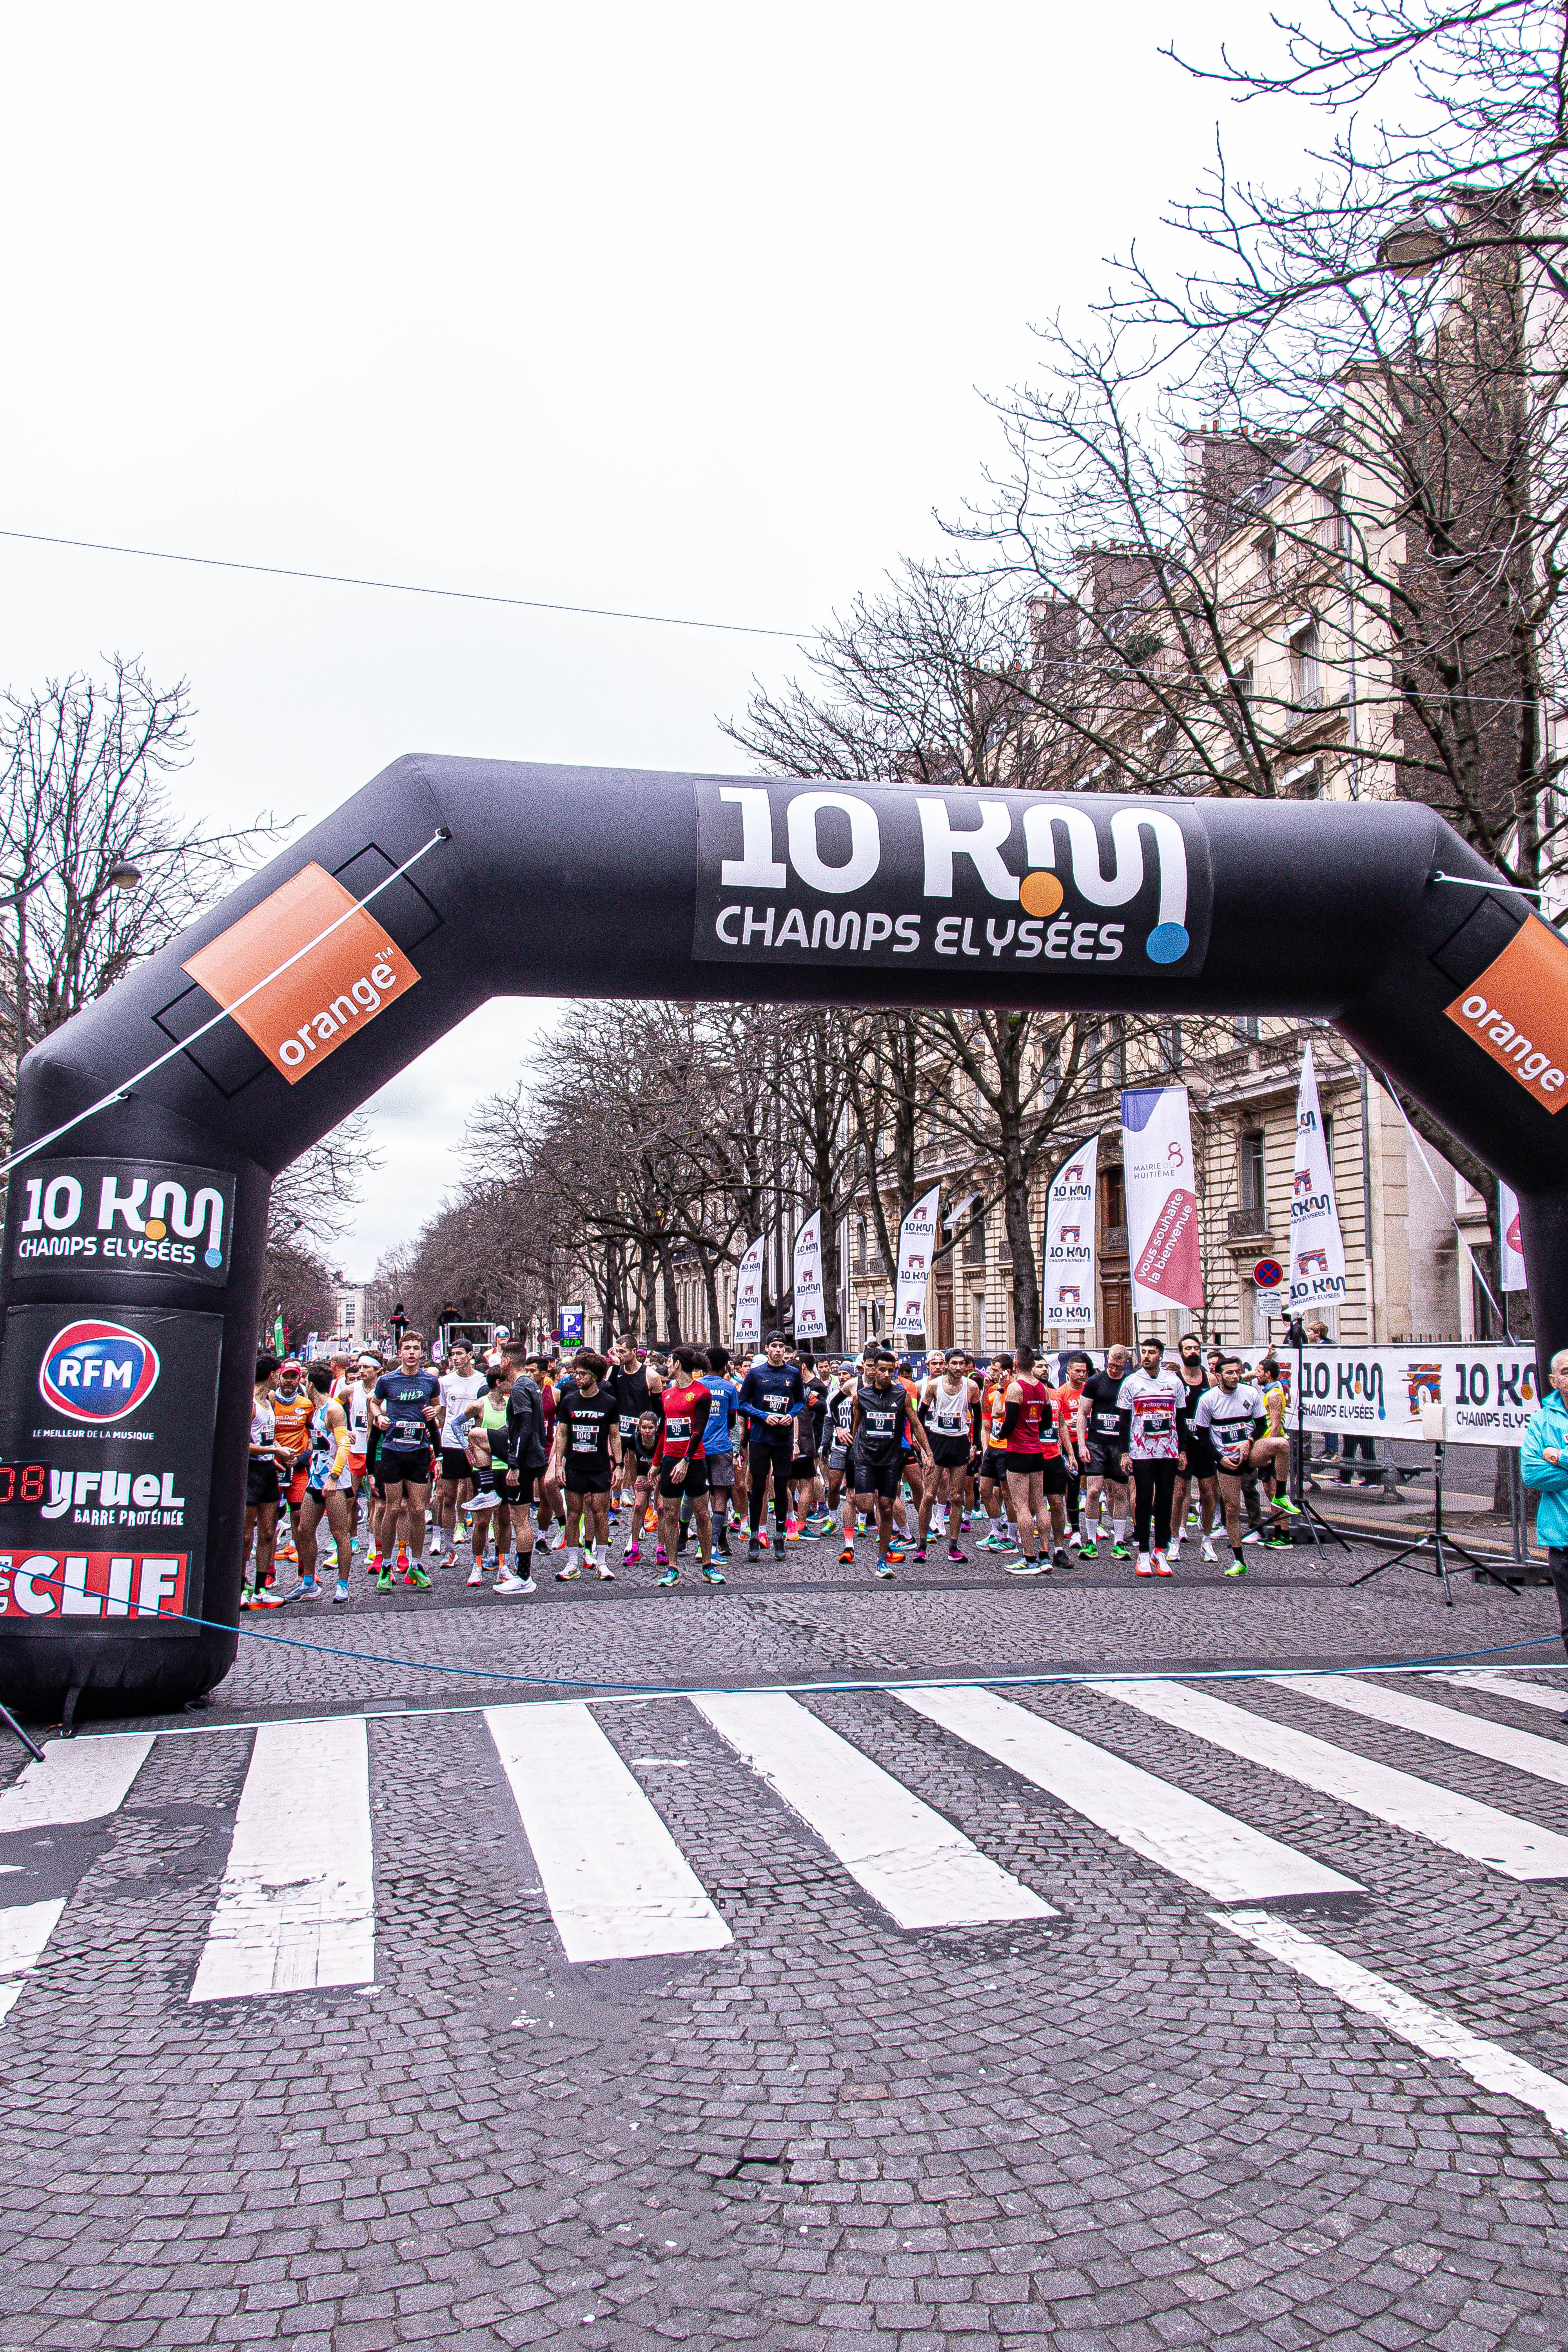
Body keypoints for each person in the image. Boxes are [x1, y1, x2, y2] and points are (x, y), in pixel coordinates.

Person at [269, 1363, 353, 1604]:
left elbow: (344, 1445)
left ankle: (343, 1585)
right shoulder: (316, 1410)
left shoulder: (333, 1409)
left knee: (339, 1533)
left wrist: (335, 1477)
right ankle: (308, 1582)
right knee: (305, 1530)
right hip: (316, 1479)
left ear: (311, 1384)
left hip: (335, 1482)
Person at [1194, 1355, 1282, 1570]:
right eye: (1230, 1373)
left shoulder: (1251, 1393)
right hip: (1226, 1458)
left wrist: (1249, 1442)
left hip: (1249, 1450)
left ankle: (1282, 1495)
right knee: (1232, 1508)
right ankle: (1239, 1560)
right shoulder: (1208, 1399)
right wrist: (1220, 1458)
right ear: (1219, 1376)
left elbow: (1262, 1426)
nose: (1235, 1377)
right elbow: (1202, 1435)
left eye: (1238, 1372)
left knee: (1282, 1445)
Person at [852, 1350, 935, 1577]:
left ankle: (882, 1559)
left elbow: (916, 1424)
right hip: (866, 1458)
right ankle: (874, 1502)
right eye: (882, 1370)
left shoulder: (901, 1396)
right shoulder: (861, 1396)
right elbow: (856, 1426)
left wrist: (927, 1452)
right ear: (873, 1371)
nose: (887, 1374)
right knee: (866, 1505)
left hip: (891, 1459)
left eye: (891, 1370)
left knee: (887, 1507)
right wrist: (853, 1451)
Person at [371, 1331, 442, 1591]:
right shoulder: (388, 1381)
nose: (412, 1353)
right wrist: (379, 1416)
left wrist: (435, 1413)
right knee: (392, 1509)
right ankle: (387, 1567)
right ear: (399, 1352)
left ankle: (416, 1565)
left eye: (416, 1348)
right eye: (407, 1348)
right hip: (392, 1451)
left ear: (422, 1352)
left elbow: (437, 1415)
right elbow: (374, 1404)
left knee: (417, 1510)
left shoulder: (431, 1381)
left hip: (419, 1452)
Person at [1521, 1350, 1568, 1707]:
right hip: (1564, 1539)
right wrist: (1547, 1459)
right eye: (1566, 1372)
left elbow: (1549, 1468)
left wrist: (1560, 1457)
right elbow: (1533, 1474)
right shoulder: (1543, 1420)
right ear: (1554, 1381)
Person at [1116, 1337, 1186, 1576]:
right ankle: (1143, 1553)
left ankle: (1161, 1550)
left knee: (1165, 1500)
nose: (1146, 1356)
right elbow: (1124, 1421)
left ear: (1161, 1356)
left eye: (1152, 1352)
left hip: (1168, 1450)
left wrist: (1183, 1450)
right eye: (1143, 1352)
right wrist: (1124, 1453)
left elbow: (1182, 1419)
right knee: (1144, 1499)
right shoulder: (1131, 1383)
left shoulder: (1174, 1382)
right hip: (1141, 1451)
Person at [550, 1350, 621, 1582]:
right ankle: (572, 1563)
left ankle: (602, 1562)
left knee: (601, 1515)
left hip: (600, 1466)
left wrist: (619, 1465)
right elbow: (561, 1434)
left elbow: (615, 1435)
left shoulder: (609, 1402)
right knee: (573, 1515)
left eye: (582, 1374)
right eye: (576, 1373)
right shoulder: (569, 1400)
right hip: (574, 1466)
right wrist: (558, 1464)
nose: (577, 1378)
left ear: (595, 1376)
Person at [654, 1345, 721, 1588]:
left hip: (693, 1461)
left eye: (670, 1361)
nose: (667, 1366)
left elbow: (698, 1430)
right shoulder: (667, 1394)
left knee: (703, 1513)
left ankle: (708, 1565)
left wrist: (686, 1460)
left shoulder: (702, 1392)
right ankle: (672, 1567)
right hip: (670, 1460)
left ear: (678, 1364)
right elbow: (664, 1431)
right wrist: (656, 1463)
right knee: (670, 1513)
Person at [998, 1343, 1068, 1575]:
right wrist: (1032, 1428)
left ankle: (1029, 1558)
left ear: (1016, 1365)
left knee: (1021, 1507)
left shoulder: (1016, 1388)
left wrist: (1001, 1434)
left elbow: (1008, 1422)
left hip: (1018, 1452)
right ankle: (1045, 1555)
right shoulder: (1042, 1388)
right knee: (1040, 1504)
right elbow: (1048, 1422)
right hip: (1038, 1452)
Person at [739, 1333, 808, 1563]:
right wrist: (762, 1416)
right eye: (774, 1347)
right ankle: (755, 1537)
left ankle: (780, 1537)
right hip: (760, 1437)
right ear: (767, 1348)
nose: (778, 1350)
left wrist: (791, 1415)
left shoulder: (793, 1374)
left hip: (783, 1439)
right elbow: (743, 1404)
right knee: (758, 1487)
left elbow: (800, 1400)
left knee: (781, 1488)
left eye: (781, 1347)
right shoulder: (756, 1374)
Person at [916, 1353, 977, 1565]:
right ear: (947, 1366)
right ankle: (922, 1545)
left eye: (962, 1364)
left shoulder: (971, 1387)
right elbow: (920, 1415)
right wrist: (924, 1446)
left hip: (959, 1442)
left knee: (957, 1497)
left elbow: (977, 1417)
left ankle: (953, 1546)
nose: (959, 1367)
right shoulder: (934, 1386)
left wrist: (975, 1445)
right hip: (938, 1440)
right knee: (929, 1494)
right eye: (955, 1363)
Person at [1076, 1344, 1132, 1561]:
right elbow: (1083, 1414)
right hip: (1096, 1442)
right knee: (1093, 1491)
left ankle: (1119, 1542)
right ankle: (1091, 1542)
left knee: (1119, 1492)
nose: (1114, 1370)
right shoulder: (1094, 1382)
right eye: (1111, 1365)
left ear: (1125, 1364)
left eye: (1119, 1366)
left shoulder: (1130, 1383)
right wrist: (1082, 1444)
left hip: (1120, 1445)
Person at [432, 1342, 486, 1566]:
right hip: (451, 1444)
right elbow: (443, 1415)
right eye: (452, 1355)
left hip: (475, 1444)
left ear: (470, 1356)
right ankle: (449, 1548)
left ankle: (479, 1553)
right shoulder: (444, 1382)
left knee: (477, 1495)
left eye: (459, 1354)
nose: (455, 1358)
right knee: (448, 1496)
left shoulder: (482, 1381)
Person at [1169, 1332, 1221, 1566]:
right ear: (1181, 1353)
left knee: (1210, 1494)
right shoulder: (1174, 1380)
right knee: (1179, 1494)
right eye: (1188, 1349)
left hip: (1204, 1444)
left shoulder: (1210, 1379)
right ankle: (1173, 1540)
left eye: (1197, 1348)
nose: (1193, 1352)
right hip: (1182, 1444)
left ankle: (1207, 1539)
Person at [241, 1356, 280, 1608]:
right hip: (250, 1472)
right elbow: (241, 1444)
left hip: (268, 1471)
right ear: (271, 1375)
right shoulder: (251, 1403)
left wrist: (276, 1452)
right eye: (279, 1374)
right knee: (245, 1536)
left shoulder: (270, 1401)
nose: (281, 1378)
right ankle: (240, 1586)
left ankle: (260, 1587)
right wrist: (275, 1452)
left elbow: (267, 1439)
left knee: (268, 1532)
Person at [269, 1359, 314, 1568]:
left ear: (299, 1379)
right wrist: (278, 1451)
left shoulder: (306, 1405)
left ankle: (304, 1572)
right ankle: (268, 1571)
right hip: (273, 1468)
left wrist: (305, 1456)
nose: (289, 1381)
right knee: (269, 1522)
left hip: (297, 1469)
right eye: (285, 1376)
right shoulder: (271, 1402)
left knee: (300, 1519)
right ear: (279, 1377)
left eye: (293, 1377)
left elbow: (312, 1435)